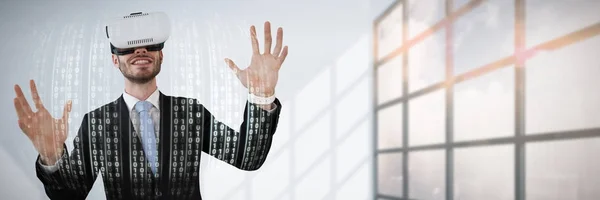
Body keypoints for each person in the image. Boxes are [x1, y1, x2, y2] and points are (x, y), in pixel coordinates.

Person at [12, 11, 288, 199]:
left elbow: (247, 158)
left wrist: (261, 97)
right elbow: (69, 196)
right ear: (114, 60)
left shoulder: (190, 113)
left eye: (148, 46)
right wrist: (52, 158)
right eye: (129, 47)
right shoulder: (97, 123)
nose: (140, 51)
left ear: (161, 56)